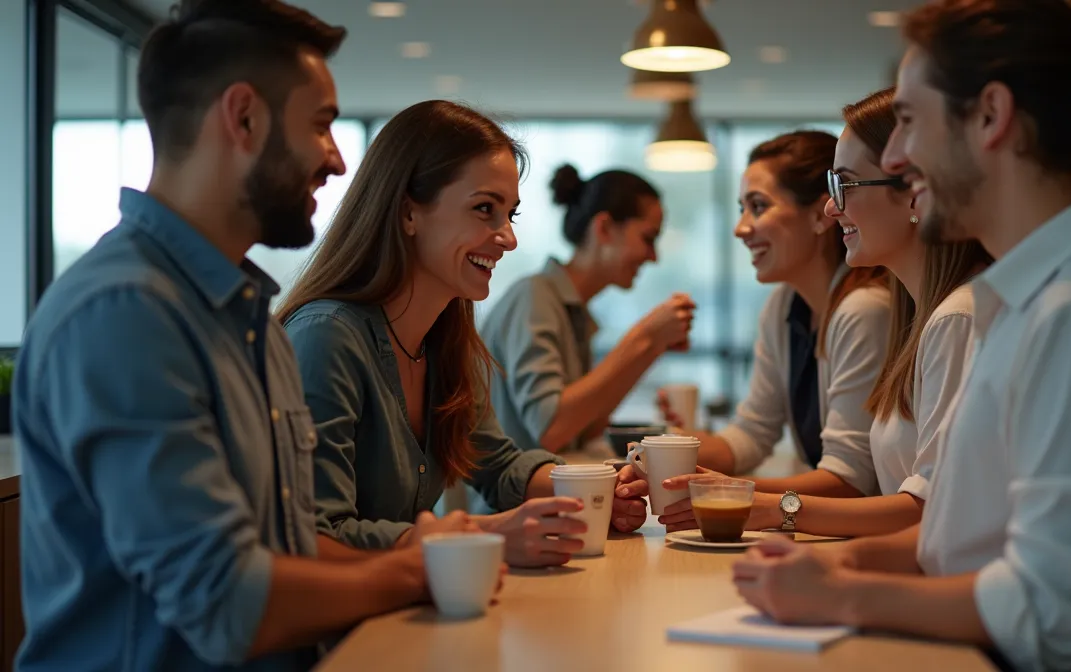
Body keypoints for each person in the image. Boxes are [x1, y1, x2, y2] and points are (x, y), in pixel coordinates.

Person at [732, 2, 1071, 671]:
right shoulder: (1018, 299)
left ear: (990, 116)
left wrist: (842, 594)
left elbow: (1050, 607)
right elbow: (958, 532)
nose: (897, 156)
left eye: (910, 120)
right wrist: (841, 563)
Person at [11, 2, 474, 670]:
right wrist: (417, 571)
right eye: (321, 124)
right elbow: (226, 601)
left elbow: (286, 548)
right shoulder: (126, 314)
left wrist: (424, 551)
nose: (337, 159)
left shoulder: (248, 317)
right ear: (244, 117)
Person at [278, 101, 650, 568]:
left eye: (510, 215)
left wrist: (595, 489)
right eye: (484, 209)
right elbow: (317, 536)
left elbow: (499, 465)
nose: (508, 238)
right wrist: (487, 535)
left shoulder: (446, 340)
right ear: (408, 212)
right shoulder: (326, 338)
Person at [661, 89, 989, 538]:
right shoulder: (914, 314)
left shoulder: (947, 318)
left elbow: (923, 512)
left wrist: (767, 506)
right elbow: (755, 431)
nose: (834, 207)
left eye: (844, 185)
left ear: (915, 191)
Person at [657, 130, 891, 502]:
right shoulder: (783, 306)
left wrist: (719, 488)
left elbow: (850, 480)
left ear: (820, 214)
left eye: (758, 206)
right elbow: (752, 433)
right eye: (742, 208)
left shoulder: (864, 310)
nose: (740, 228)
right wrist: (663, 451)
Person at [480, 166, 694, 455]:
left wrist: (653, 348)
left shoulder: (569, 310)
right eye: (648, 238)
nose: (654, 257)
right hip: (509, 487)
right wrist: (645, 337)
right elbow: (551, 429)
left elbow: (586, 427)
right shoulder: (533, 297)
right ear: (603, 227)